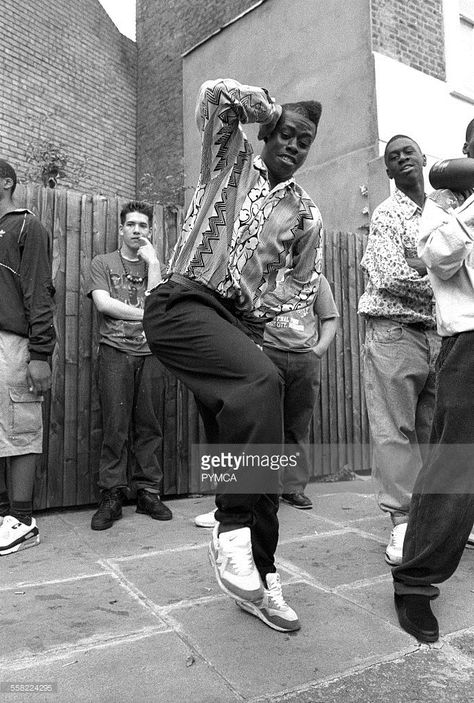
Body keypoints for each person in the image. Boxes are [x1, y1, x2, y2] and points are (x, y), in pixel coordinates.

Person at [143, 78, 323, 632]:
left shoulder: (307, 212)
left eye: (305, 141)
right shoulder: (230, 158)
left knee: (260, 457)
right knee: (259, 383)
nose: (293, 145)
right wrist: (267, 109)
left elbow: (304, 282)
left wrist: (259, 311)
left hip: (234, 325)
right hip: (181, 300)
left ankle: (262, 578)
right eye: (286, 134)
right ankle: (229, 532)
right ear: (268, 135)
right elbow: (216, 94)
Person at [392, 118, 474, 643]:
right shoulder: (440, 207)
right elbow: (443, 260)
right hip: (469, 339)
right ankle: (415, 580)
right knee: (455, 458)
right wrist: (459, 202)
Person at [194, 274, 338, 525]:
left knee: (297, 425)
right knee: (262, 426)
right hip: (268, 354)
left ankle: (293, 488)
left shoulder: (317, 281)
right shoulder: (264, 273)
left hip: (305, 360)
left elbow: (330, 318)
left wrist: (318, 351)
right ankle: (262, 490)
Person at [358, 135, 440, 566]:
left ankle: (438, 521)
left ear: (425, 158)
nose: (402, 157)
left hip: (439, 335)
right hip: (394, 333)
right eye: (393, 157)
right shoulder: (388, 214)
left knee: (435, 434)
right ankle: (402, 524)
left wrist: (424, 264)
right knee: (395, 432)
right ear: (387, 172)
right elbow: (390, 274)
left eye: (409, 151)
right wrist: (445, 278)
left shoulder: (447, 209)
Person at [87, 201, 172, 531]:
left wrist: (153, 264)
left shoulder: (154, 266)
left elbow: (159, 305)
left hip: (151, 353)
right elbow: (103, 303)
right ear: (121, 229)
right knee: (115, 425)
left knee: (149, 425)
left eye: (143, 225)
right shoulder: (102, 263)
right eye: (131, 225)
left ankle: (148, 492)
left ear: (149, 231)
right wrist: (146, 314)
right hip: (115, 352)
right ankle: (112, 494)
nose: (137, 230)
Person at [0, 159, 55, 556]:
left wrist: (40, 353)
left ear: (6, 183)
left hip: (15, 345)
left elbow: (40, 294)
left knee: (21, 425)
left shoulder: (26, 226)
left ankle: (22, 520)